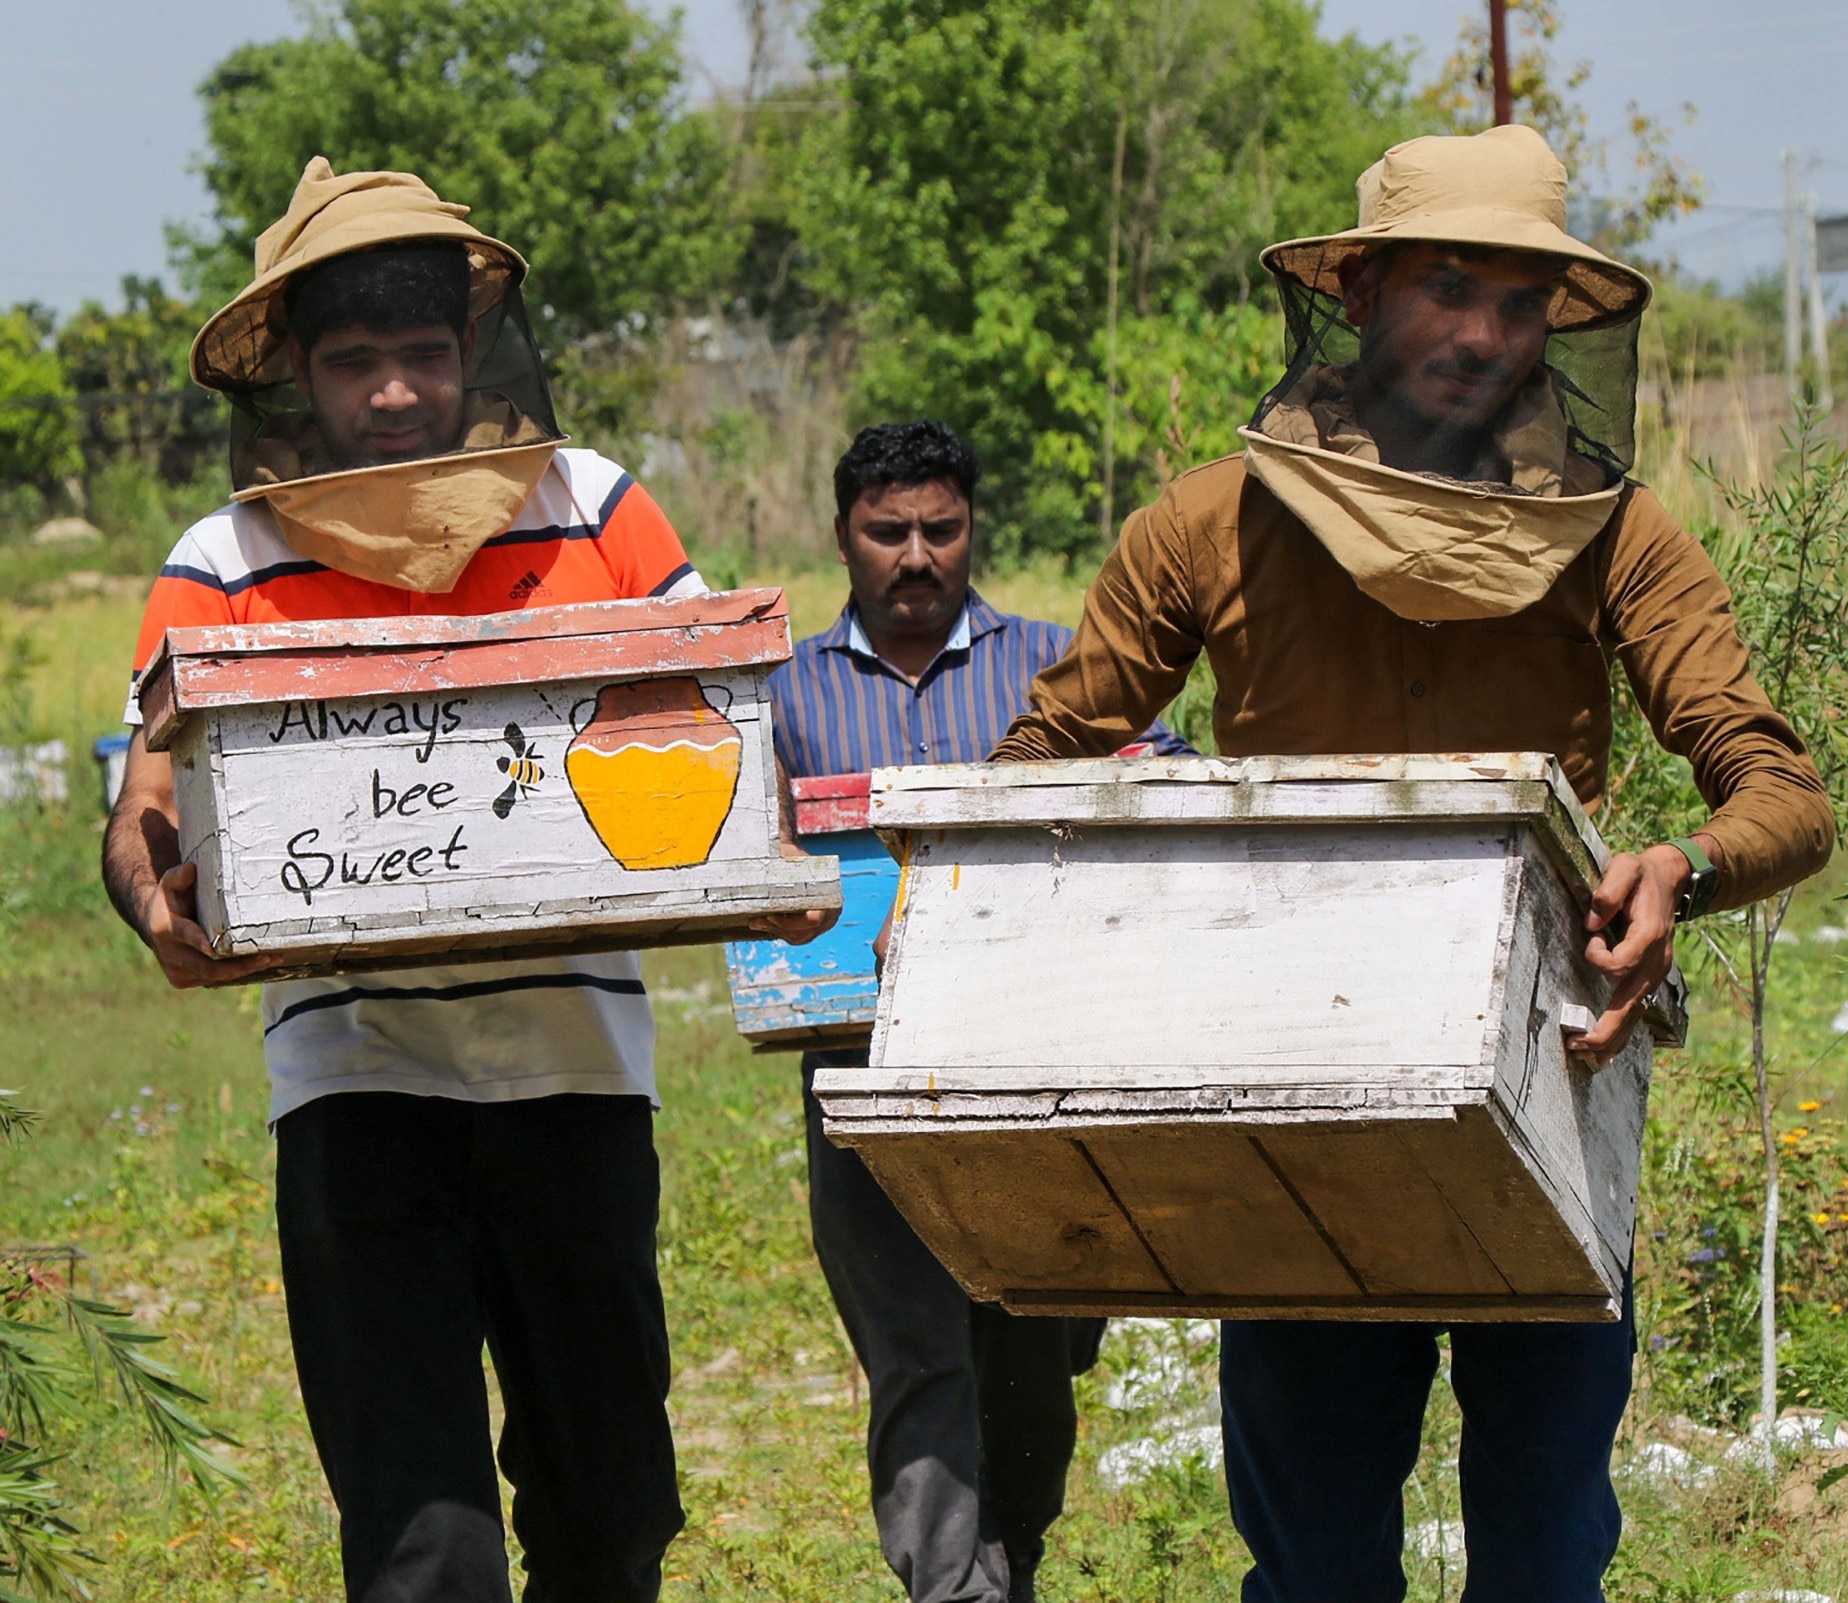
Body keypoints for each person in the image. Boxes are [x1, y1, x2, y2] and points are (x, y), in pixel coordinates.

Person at [989, 126, 1834, 1601]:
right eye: (1451, 289)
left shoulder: (1617, 533)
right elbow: (1043, 760)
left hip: (1549, 1082)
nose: (1485, 333)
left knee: (1547, 1544)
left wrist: (1681, 863)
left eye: (1520, 303)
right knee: (1313, 1556)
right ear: (1365, 289)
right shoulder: (1207, 521)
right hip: (1291, 1084)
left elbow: (1780, 789)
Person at [101, 157, 798, 1603]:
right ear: (295, 369)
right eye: (356, 362)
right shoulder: (222, 557)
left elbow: (721, 713)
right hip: (358, 1091)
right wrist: (153, 892)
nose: (398, 394)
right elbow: (143, 801)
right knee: (422, 1547)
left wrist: (769, 846)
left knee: (612, 1516)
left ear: (473, 349)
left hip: (577, 1080)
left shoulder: (596, 507)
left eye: (422, 354)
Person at [769, 419, 1188, 1603]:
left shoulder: (1058, 664)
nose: (915, 555)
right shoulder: (785, 695)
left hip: (1035, 1071)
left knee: (1033, 1353)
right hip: (862, 1075)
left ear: (973, 533)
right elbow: (738, 850)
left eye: (939, 530)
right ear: (843, 537)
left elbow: (1163, 760)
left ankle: (1014, 1552)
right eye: (887, 530)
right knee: (914, 1349)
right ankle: (954, 1587)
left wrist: (1140, 774)